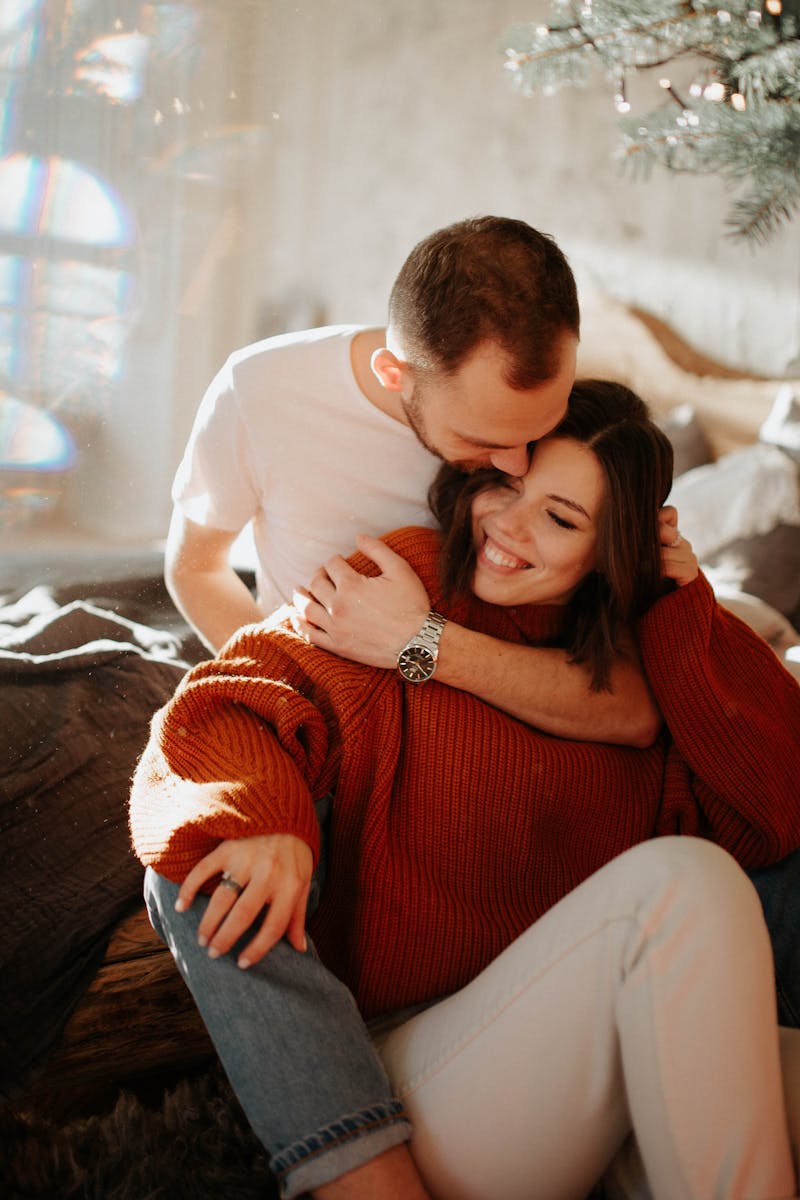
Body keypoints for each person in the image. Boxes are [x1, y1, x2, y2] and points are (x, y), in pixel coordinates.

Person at [131, 381, 800, 1200]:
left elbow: (773, 814)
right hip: (422, 1083)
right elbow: (215, 705)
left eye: (561, 519)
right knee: (685, 882)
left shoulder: (627, 653)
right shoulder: (398, 583)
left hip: (585, 1053)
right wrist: (268, 816)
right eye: (506, 487)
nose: (509, 529)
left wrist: (678, 604)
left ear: (610, 555)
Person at [164, 214, 661, 748]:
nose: (517, 464)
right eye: (482, 440)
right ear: (393, 374)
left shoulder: (556, 411)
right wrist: (286, 696)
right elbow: (196, 566)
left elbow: (629, 695)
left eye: (540, 426)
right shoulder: (260, 389)